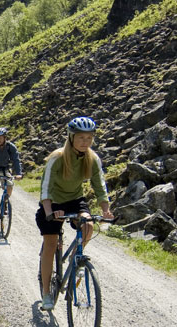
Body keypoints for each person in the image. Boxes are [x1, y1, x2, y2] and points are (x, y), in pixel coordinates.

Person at [36, 116, 113, 311]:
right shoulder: (58, 157)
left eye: (89, 138)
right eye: (81, 138)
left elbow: (100, 186)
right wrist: (49, 212)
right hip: (52, 202)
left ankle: (76, 257)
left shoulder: (92, 158)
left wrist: (106, 208)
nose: (85, 142)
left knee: (88, 224)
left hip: (74, 200)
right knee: (51, 244)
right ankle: (46, 294)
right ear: (71, 138)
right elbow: (46, 187)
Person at [0, 127, 23, 217]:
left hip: (4, 169)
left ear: (5, 137)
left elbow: (16, 160)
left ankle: (5, 203)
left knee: (9, 186)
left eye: (1, 137)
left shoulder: (11, 147)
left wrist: (19, 173)